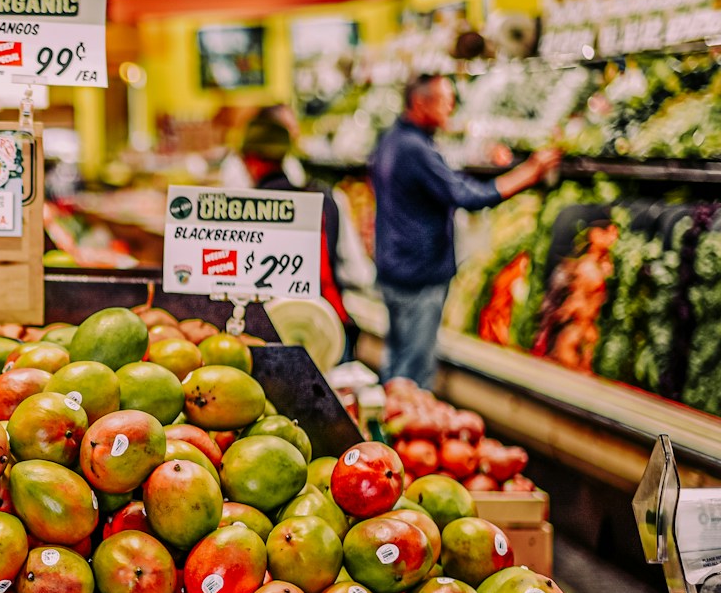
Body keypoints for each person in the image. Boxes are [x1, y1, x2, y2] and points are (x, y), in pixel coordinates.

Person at [370, 74, 560, 388]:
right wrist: (531, 171)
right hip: (418, 275)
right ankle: (401, 432)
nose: (451, 107)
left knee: (396, 362)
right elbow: (467, 196)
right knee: (412, 376)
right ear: (420, 103)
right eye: (445, 100)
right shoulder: (415, 148)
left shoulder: (392, 139)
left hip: (395, 270)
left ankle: (384, 427)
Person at [238, 107, 354, 347]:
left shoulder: (242, 210)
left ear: (250, 161)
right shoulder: (325, 199)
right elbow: (353, 268)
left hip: (267, 330)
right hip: (325, 325)